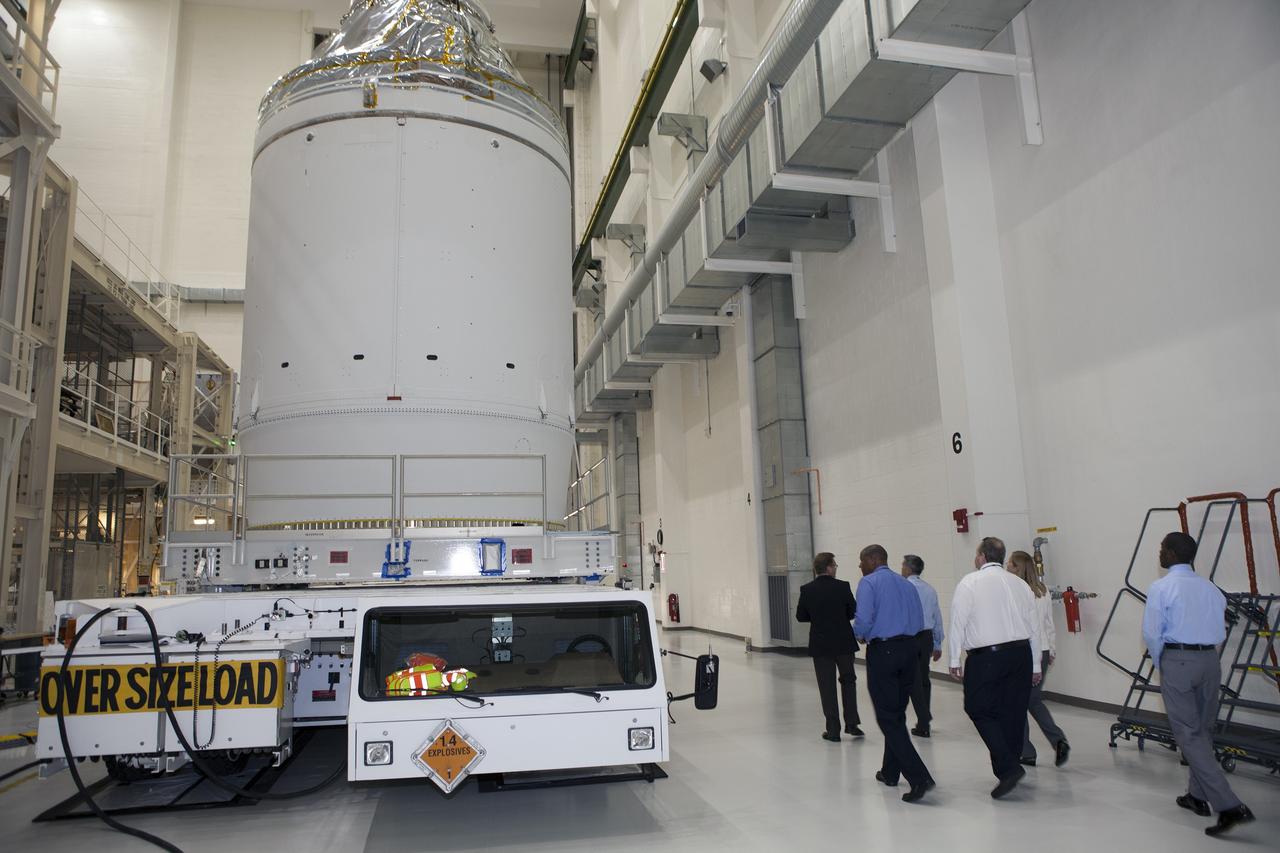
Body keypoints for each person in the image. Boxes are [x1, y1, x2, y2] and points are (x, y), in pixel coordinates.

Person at [1142, 532, 1255, 838]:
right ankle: (1197, 795)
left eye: (1162, 548)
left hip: (1178, 661)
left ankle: (1229, 805)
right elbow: (1220, 628)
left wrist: (1160, 659)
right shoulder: (1211, 589)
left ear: (1173, 553)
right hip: (1209, 662)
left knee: (1188, 735)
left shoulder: (1162, 588)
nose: (1159, 552)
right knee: (1203, 729)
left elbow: (1153, 633)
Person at [949, 536, 1042, 799]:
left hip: (986, 658)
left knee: (977, 708)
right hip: (1021, 654)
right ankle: (1009, 768)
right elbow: (1033, 627)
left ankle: (1009, 768)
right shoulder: (1020, 584)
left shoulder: (970, 582)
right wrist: (1035, 664)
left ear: (981, 557)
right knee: (1012, 712)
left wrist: (954, 659)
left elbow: (958, 621)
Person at [853, 544, 934, 803]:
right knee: (897, 712)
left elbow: (863, 620)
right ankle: (890, 772)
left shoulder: (869, 583)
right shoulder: (907, 585)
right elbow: (920, 621)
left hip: (884, 652)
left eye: (862, 561)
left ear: (874, 560)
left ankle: (919, 777)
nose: (860, 566)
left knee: (888, 718)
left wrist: (859, 635)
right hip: (910, 650)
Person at [1006, 550, 1070, 768]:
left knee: (1018, 701)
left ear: (1018, 568)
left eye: (1010, 565)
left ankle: (1026, 751)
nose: (1007, 568)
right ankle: (1057, 739)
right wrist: (1051, 650)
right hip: (1041, 651)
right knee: (1032, 700)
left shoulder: (1018, 592)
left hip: (1023, 650)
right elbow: (1049, 624)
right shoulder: (1043, 592)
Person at [796, 552, 864, 741]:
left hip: (821, 644)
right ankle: (852, 724)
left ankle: (833, 730)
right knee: (848, 681)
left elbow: (801, 616)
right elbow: (852, 611)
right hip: (844, 642)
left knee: (827, 687)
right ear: (828, 567)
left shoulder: (807, 589)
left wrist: (818, 617)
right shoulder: (843, 587)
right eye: (834, 565)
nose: (835, 568)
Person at [900, 554, 943, 738]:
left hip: (908, 637)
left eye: (903, 565)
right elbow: (937, 617)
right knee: (923, 677)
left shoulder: (903, 588)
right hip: (925, 637)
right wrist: (937, 643)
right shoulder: (930, 589)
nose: (901, 568)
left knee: (908, 679)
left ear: (908, 568)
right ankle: (924, 720)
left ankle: (923, 719)